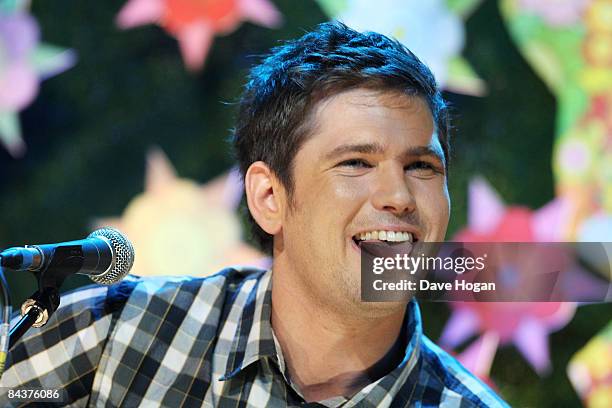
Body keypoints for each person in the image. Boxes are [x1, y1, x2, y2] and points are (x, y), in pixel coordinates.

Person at [0, 22, 508, 407]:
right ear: (269, 197)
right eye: (356, 162)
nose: (398, 195)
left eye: (421, 166)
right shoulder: (119, 332)